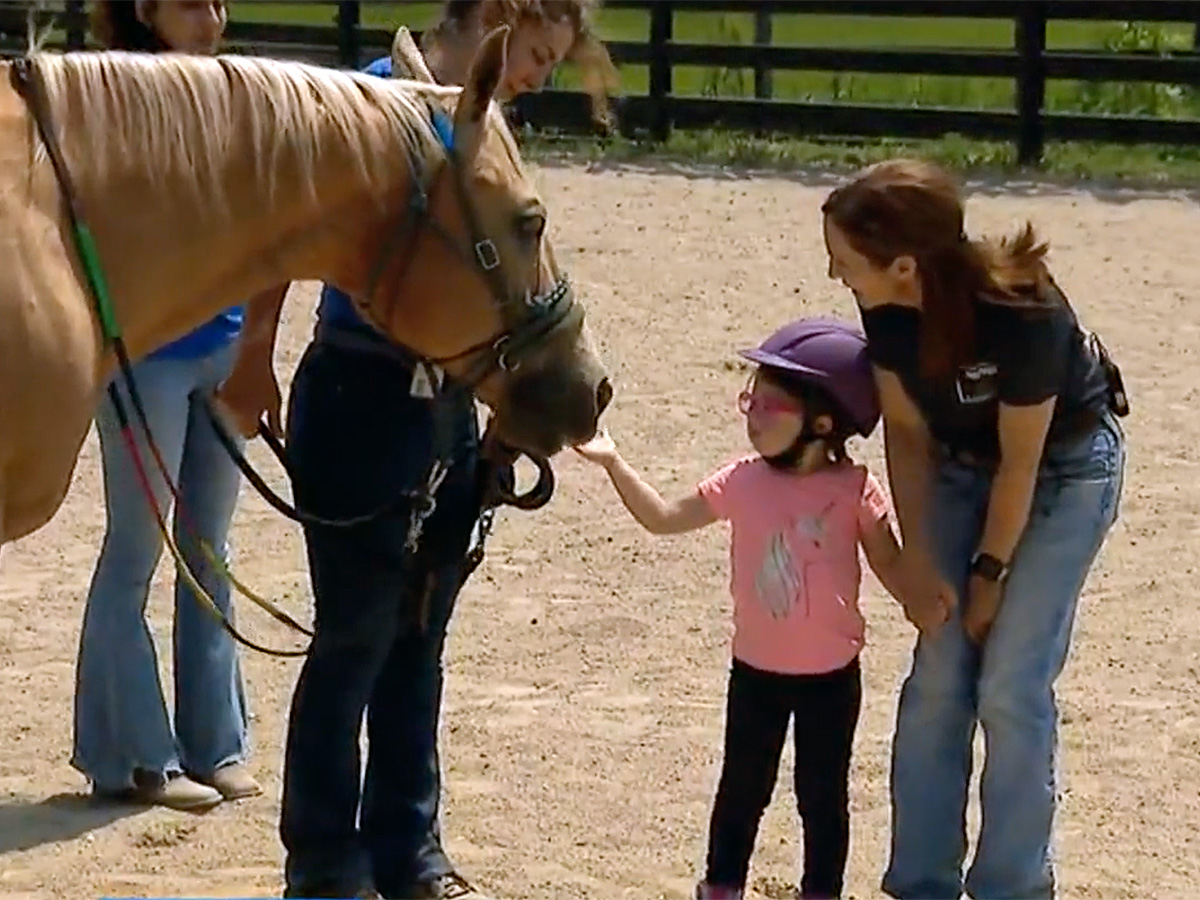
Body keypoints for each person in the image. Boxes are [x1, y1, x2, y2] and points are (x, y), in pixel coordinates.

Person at [215, 3, 618, 897]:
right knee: (355, 634)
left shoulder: (484, 120)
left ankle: (409, 849)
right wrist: (254, 358)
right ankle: (323, 861)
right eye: (537, 55)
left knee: (421, 633)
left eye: (551, 66)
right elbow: (286, 233)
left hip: (448, 401)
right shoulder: (373, 102)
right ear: (497, 16)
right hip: (361, 388)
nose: (538, 79)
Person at [820, 158, 1127, 899]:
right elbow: (906, 431)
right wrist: (922, 560)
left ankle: (1013, 887)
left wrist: (988, 575)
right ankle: (921, 882)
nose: (835, 276)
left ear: (902, 263)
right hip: (958, 463)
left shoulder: (1026, 312)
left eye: (844, 260)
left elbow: (1021, 467)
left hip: (1063, 471)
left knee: (1012, 682)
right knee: (939, 671)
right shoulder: (886, 305)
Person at [575, 318, 915, 900]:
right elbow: (662, 519)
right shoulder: (741, 481)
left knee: (822, 799)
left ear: (824, 421)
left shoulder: (855, 489)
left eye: (770, 406)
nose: (753, 415)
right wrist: (613, 462)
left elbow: (897, 573)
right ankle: (722, 888)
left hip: (832, 682)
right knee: (741, 791)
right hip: (754, 674)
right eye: (750, 401)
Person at [71, 0, 261, 812]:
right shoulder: (115, 99)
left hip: (219, 348)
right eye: (192, 3)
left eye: (219, 2)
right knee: (136, 554)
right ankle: (134, 757)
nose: (212, 17)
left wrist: (254, 347)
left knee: (209, 548)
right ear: (147, 9)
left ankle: (216, 743)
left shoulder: (232, 96)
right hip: (143, 356)